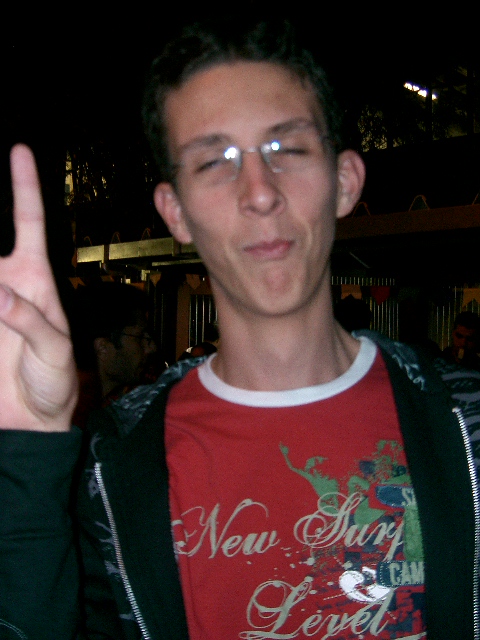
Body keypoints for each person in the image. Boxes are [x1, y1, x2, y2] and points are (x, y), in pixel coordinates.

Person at [0, 16, 480, 640]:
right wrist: (28, 452)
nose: (259, 193)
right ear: (175, 211)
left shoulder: (465, 425)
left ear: (345, 182)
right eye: (215, 161)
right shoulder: (114, 467)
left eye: (287, 150)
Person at [69, 281, 154, 429]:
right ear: (103, 348)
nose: (150, 348)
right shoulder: (75, 418)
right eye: (140, 337)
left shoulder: (114, 405)